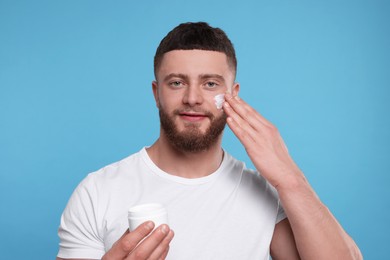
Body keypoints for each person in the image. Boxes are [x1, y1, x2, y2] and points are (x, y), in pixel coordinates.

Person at [57, 22, 362, 260]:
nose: (192, 98)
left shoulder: (265, 194)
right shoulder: (97, 192)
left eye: (210, 84)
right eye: (176, 83)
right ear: (156, 93)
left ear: (234, 94)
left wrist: (291, 179)